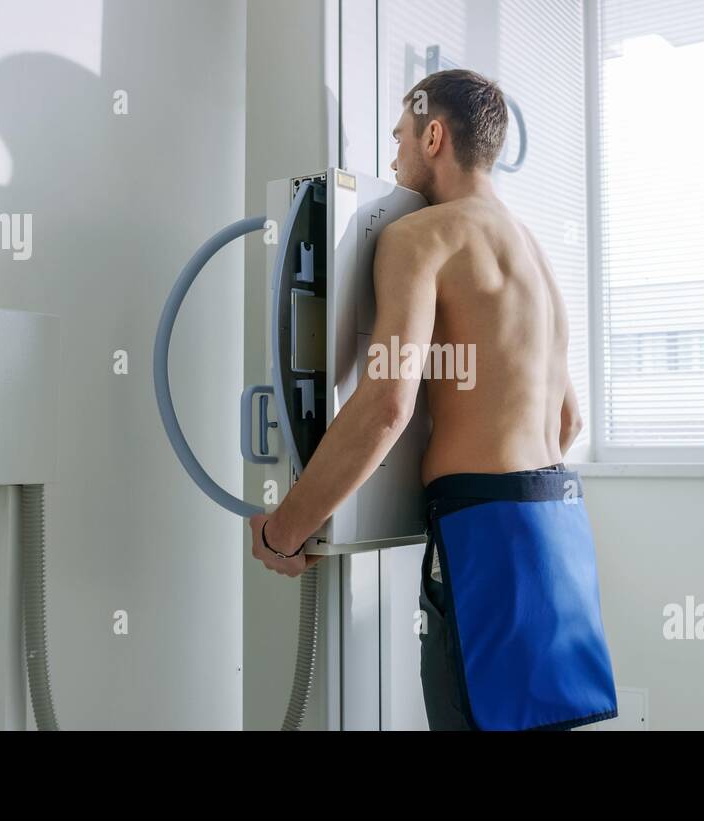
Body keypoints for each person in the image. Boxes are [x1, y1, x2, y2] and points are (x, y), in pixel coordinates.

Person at [249, 69, 616, 731]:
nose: (394, 156)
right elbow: (569, 419)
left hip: (481, 534)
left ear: (435, 134)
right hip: (556, 533)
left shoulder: (421, 237)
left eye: (401, 137)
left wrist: (285, 528)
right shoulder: (532, 252)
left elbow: (387, 404)